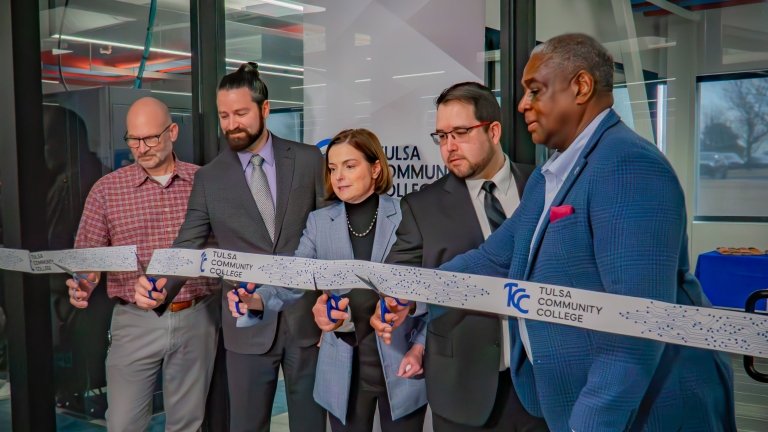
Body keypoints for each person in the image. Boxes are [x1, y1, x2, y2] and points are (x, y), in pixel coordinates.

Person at [415, 33, 736, 431]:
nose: (522, 105)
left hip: (645, 409)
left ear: (581, 87)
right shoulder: (551, 176)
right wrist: (411, 292)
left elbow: (635, 331)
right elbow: (493, 259)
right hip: (576, 400)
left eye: (535, 90)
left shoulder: (627, 166)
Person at [135, 62, 327, 432]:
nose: (231, 124)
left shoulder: (307, 160)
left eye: (240, 113)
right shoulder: (209, 178)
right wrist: (157, 283)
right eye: (224, 115)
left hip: (305, 320)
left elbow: (330, 234)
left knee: (311, 425)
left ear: (265, 109)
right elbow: (188, 244)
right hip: (246, 323)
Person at [373, 82, 547, 431]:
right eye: (441, 136)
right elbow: (398, 277)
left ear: (494, 130)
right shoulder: (422, 206)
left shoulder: (544, 185)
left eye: (461, 133)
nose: (449, 146)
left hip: (542, 384)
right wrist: (395, 303)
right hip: (461, 387)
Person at [229, 128, 428, 431]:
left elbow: (429, 291)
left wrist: (423, 345)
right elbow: (294, 277)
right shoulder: (320, 222)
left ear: (375, 169)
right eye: (333, 168)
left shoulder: (407, 214)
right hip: (342, 368)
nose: (339, 177)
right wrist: (255, 300)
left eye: (350, 166)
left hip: (402, 361)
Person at [67, 96, 219, 431]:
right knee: (122, 423)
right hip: (134, 321)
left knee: (187, 422)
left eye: (151, 137)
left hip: (197, 316)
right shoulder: (107, 190)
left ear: (173, 132)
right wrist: (82, 282)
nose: (142, 147)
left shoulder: (206, 183)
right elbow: (86, 256)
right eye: (133, 139)